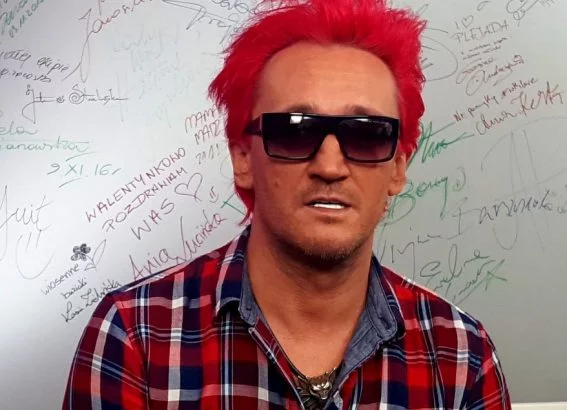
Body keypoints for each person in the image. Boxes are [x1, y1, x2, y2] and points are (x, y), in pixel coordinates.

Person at [63, 0, 511, 408]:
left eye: (367, 134)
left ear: (398, 168)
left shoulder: (460, 356)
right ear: (243, 158)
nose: (330, 166)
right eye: (294, 130)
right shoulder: (135, 335)